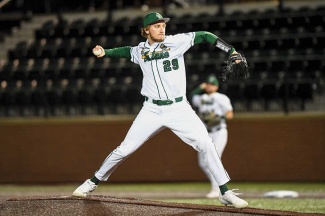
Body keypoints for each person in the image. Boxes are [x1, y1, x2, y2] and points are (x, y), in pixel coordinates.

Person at [72, 12, 248, 208]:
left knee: (206, 143)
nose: (162, 28)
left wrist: (230, 50)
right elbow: (126, 51)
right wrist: (106, 52)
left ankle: (225, 192)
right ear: (146, 30)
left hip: (179, 108)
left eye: (163, 25)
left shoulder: (177, 42)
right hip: (151, 109)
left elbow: (205, 35)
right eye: (156, 26)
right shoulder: (140, 51)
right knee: (125, 149)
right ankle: (91, 183)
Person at [190, 74, 233, 198]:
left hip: (219, 131)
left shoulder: (221, 97)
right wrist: (199, 87)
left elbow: (230, 115)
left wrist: (218, 118)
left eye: (212, 84)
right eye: (208, 84)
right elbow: (191, 97)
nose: (209, 86)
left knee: (214, 159)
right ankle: (218, 186)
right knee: (203, 163)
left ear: (217, 86)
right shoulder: (202, 97)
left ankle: (217, 189)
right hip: (206, 133)